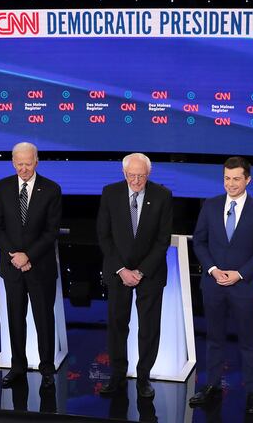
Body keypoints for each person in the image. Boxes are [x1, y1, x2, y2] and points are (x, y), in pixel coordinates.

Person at [189, 156, 253, 414]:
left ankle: (252, 393)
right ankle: (212, 387)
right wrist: (213, 270)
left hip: (244, 287)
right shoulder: (210, 205)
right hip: (213, 285)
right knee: (213, 338)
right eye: (227, 178)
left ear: (248, 179)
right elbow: (200, 241)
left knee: (248, 341)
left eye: (236, 178)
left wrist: (239, 274)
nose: (231, 183)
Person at [97, 153, 173, 398]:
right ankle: (118, 375)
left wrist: (140, 271)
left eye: (141, 176)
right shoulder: (110, 193)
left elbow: (163, 241)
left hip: (149, 274)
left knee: (149, 328)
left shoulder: (162, 196)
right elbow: (104, 235)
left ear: (148, 174)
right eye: (132, 175)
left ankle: (143, 378)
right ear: (124, 173)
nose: (137, 180)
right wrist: (122, 269)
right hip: (118, 273)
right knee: (118, 325)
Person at [0, 142, 62, 390]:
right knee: (15, 319)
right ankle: (17, 367)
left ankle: (47, 369)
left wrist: (28, 255)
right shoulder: (2, 187)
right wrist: (14, 255)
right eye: (19, 164)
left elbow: (51, 231)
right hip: (12, 268)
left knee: (43, 319)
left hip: (39, 268)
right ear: (13, 162)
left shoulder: (51, 189)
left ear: (37, 161)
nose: (23, 168)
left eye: (28, 164)